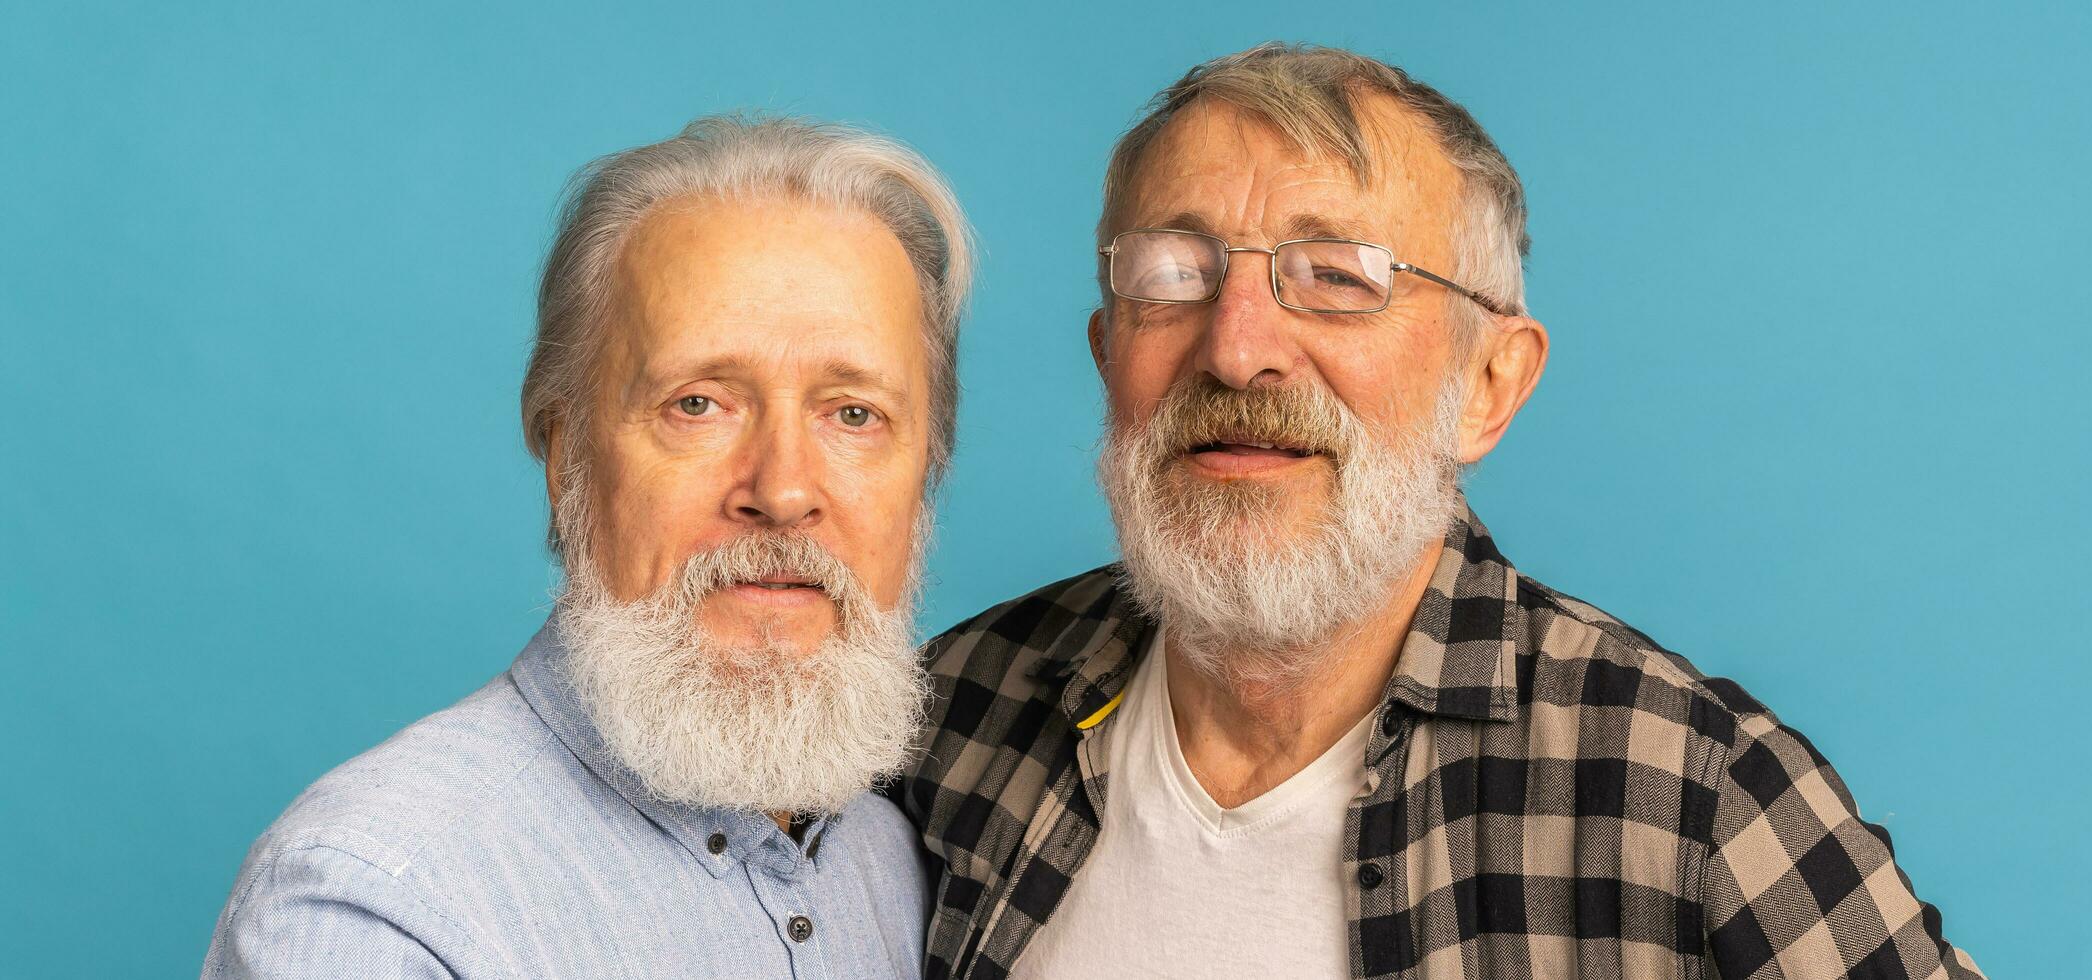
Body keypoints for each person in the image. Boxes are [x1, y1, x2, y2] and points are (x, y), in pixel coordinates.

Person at [898, 45, 1982, 979]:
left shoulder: (1694, 794)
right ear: (1106, 355)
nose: (1234, 348)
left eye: (1334, 276)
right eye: (1175, 275)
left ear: (1490, 384)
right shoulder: (947, 720)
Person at [205, 115, 972, 979]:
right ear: (567, 458)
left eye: (854, 414)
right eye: (698, 404)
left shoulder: (929, 853)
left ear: (926, 470)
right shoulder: (377, 909)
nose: (784, 490)